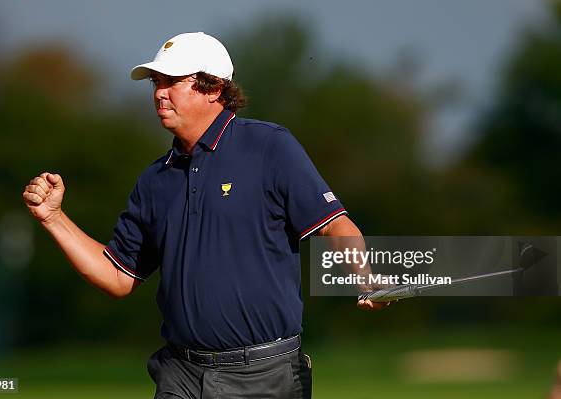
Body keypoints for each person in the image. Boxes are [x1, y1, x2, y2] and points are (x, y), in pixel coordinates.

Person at [22, 31, 384, 399]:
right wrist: (54, 219)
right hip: (179, 375)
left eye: (173, 81)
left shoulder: (269, 147)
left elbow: (334, 224)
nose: (159, 93)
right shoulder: (154, 180)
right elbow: (117, 276)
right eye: (156, 82)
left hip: (265, 376)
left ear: (214, 88)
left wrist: (364, 277)